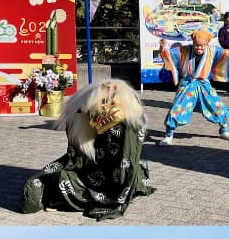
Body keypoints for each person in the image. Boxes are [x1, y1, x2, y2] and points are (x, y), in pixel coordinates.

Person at [21, 79, 154, 219]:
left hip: (109, 169)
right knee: (56, 177)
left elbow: (122, 152)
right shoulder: (88, 115)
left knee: (62, 179)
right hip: (96, 163)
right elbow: (78, 154)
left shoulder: (125, 121)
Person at [156, 29, 229, 144]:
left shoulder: (213, 51)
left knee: (217, 105)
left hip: (204, 84)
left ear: (206, 44)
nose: (199, 48)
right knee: (178, 107)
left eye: (202, 46)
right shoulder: (184, 50)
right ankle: (169, 135)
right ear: (193, 43)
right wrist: (162, 48)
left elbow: (228, 54)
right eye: (197, 45)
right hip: (187, 83)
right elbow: (168, 54)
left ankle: (223, 130)